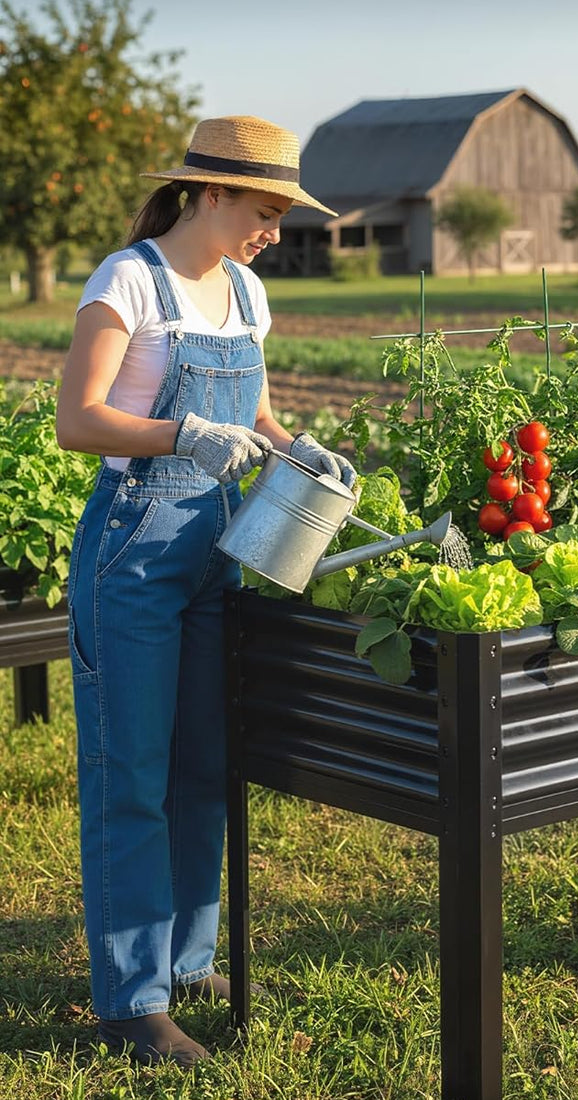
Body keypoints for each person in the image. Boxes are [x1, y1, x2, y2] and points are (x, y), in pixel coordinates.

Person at [56, 115, 355, 1067]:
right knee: (132, 774)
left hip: (217, 549)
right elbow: (79, 421)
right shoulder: (129, 280)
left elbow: (255, 413)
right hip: (133, 550)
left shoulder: (246, 290)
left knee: (202, 768)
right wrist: (179, 435)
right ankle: (131, 1000)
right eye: (266, 210)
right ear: (210, 194)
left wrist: (292, 448)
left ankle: (187, 961)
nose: (274, 229)